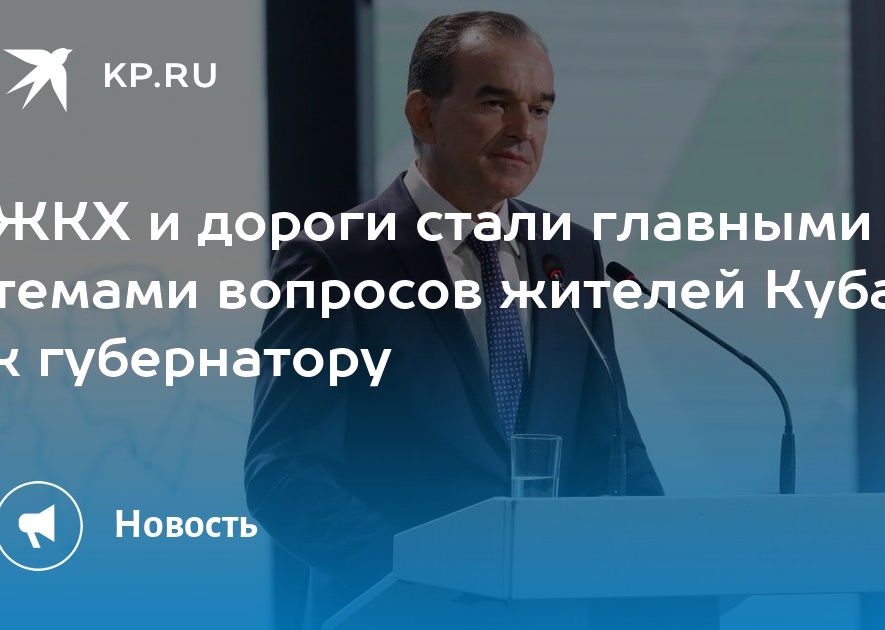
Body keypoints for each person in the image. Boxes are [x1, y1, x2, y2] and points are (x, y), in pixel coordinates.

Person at [245, 11, 662, 629]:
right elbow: (284, 474)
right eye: (495, 103)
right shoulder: (335, 259)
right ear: (423, 115)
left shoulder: (569, 254)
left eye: (540, 110)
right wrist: (425, 579)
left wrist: (666, 566)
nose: (523, 130)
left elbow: (614, 450)